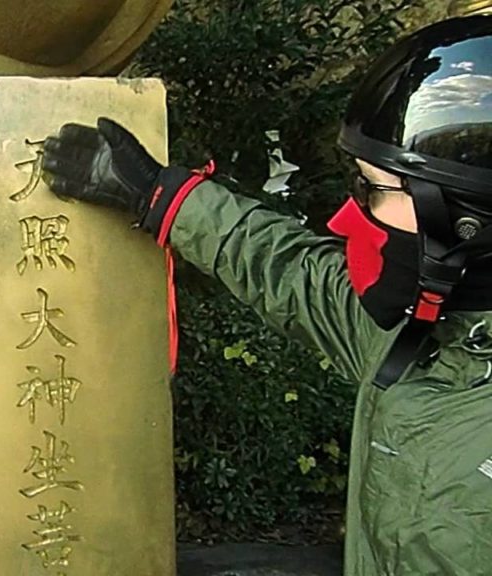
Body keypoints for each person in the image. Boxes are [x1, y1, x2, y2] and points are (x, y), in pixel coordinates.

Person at [41, 14, 492, 576]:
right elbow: (293, 271)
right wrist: (160, 196)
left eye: (375, 190)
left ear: (470, 220)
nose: (348, 219)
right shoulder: (419, 335)